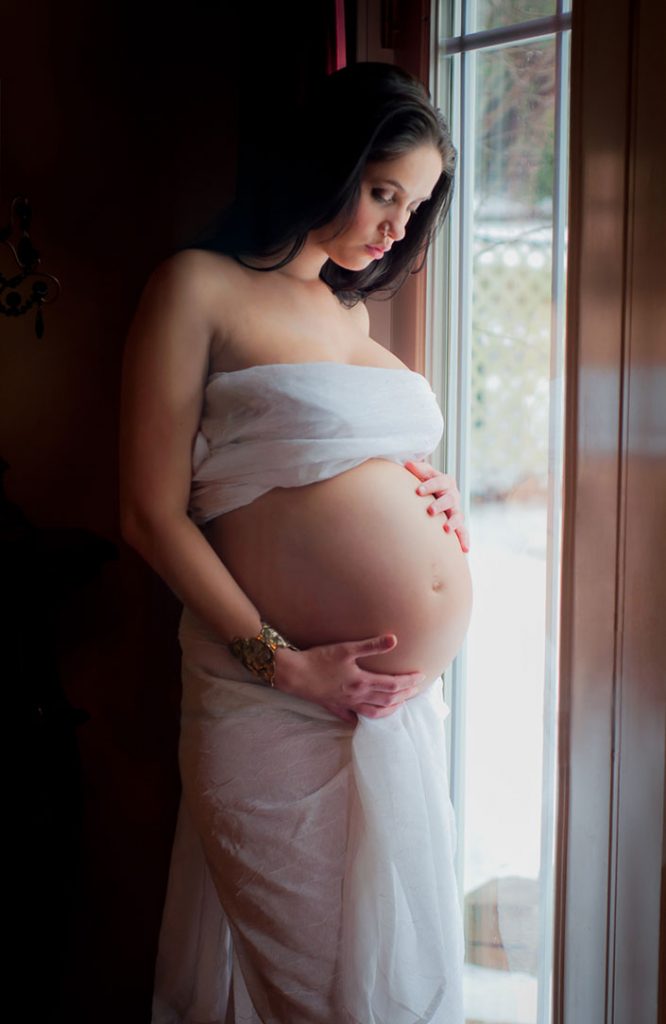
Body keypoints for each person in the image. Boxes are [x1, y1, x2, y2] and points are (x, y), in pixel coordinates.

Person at [120, 62, 473, 1024]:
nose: (398, 226)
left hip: (384, 715)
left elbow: (330, 466)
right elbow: (150, 513)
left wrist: (430, 491)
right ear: (328, 162)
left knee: (392, 991)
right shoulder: (198, 287)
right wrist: (285, 666)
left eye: (419, 204)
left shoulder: (353, 314)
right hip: (271, 704)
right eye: (384, 191)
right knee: (325, 1005)